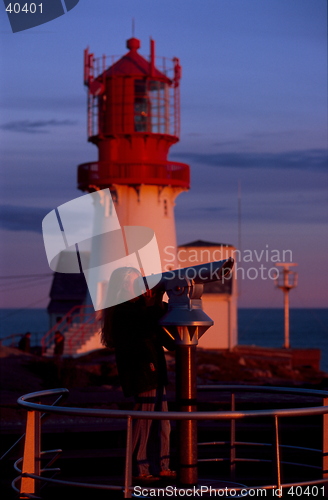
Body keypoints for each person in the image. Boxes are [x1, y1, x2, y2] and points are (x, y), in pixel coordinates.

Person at [101, 267, 176, 481]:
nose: (143, 288)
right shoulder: (124, 311)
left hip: (154, 370)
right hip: (143, 371)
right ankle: (139, 468)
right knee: (145, 421)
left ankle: (163, 464)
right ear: (124, 286)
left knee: (163, 422)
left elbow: (165, 339)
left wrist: (160, 304)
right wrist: (156, 303)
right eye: (137, 283)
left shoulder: (138, 309)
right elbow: (145, 325)